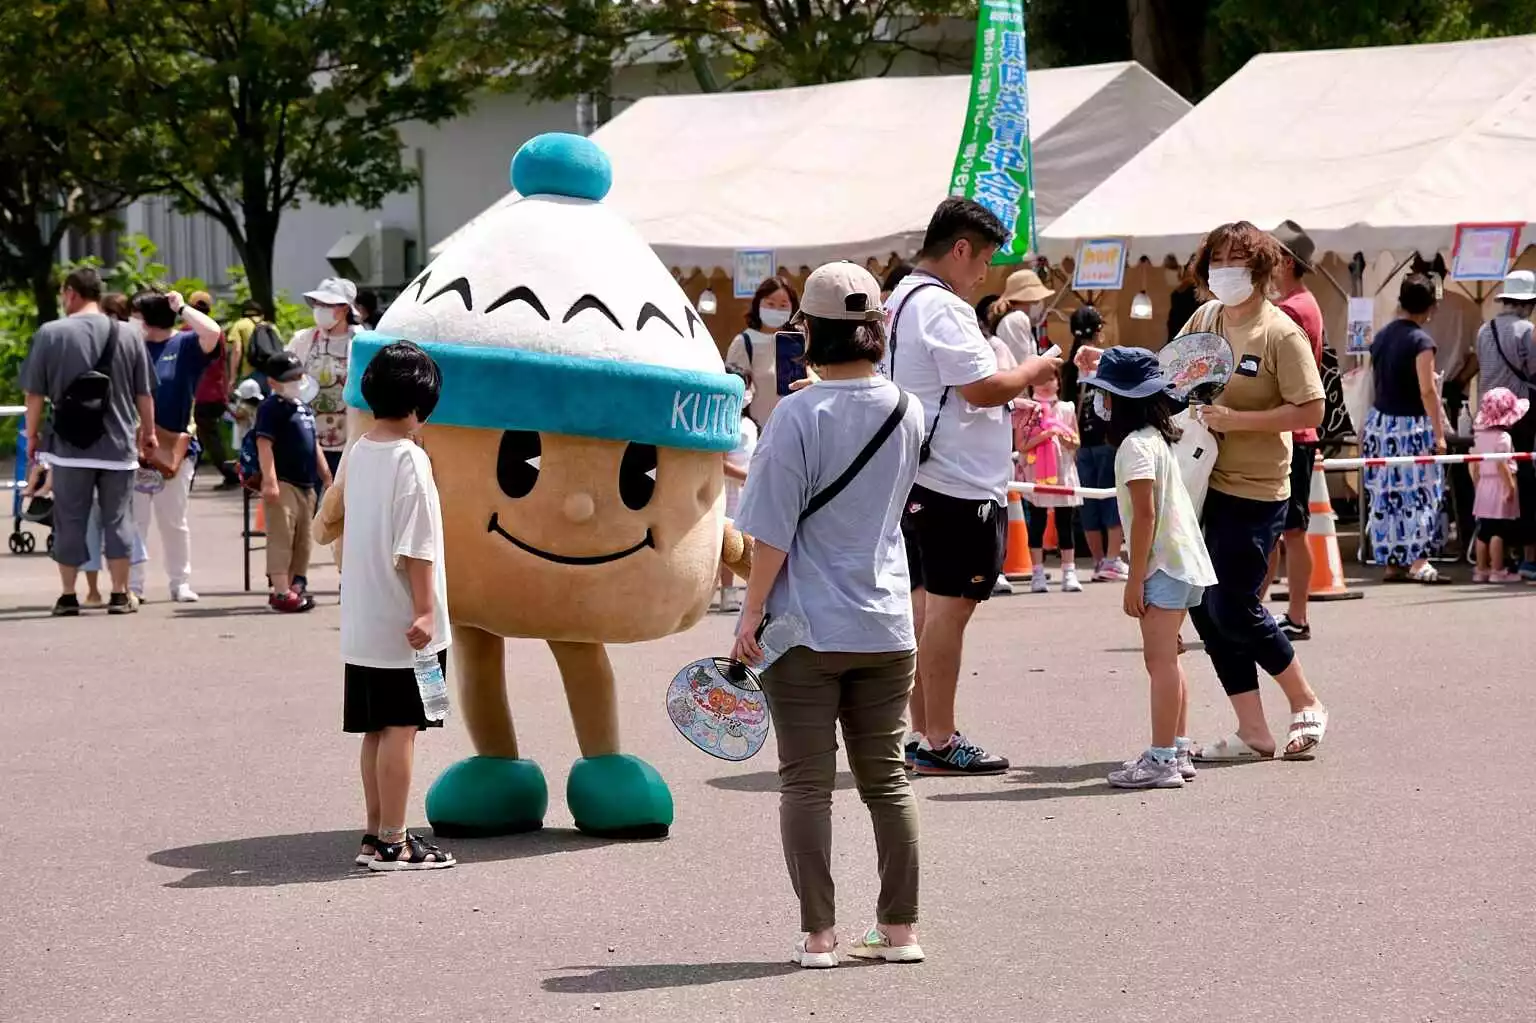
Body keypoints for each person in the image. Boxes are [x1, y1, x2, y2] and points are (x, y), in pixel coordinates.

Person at [731, 261, 926, 968]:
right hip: (886, 621)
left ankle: (820, 936)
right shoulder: (910, 408)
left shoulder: (794, 414)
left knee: (806, 781)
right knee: (888, 780)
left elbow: (771, 534)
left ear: (808, 331)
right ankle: (900, 929)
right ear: (875, 328)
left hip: (806, 626)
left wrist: (748, 617)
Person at [884, 197, 1059, 776]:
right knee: (946, 616)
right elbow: (981, 388)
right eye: (982, 259)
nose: (985, 274)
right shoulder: (942, 306)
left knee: (922, 613)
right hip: (955, 486)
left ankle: (922, 733)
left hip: (917, 477)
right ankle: (940, 737)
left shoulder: (900, 299)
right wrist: (1036, 369)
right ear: (960, 249)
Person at [1171, 221, 1328, 762]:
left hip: (1257, 487)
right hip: (1199, 480)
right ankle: (1253, 729)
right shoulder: (1205, 317)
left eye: (1236, 259)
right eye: (1216, 258)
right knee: (1205, 608)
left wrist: (1238, 420)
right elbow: (1173, 372)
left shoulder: (1281, 331)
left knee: (1233, 604)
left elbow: (1311, 409)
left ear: (1260, 268)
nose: (1224, 269)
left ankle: (1305, 700)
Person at [339, 341, 455, 872]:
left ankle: (375, 833)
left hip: (364, 618)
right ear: (423, 401)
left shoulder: (358, 450)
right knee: (402, 729)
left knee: (376, 729)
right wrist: (427, 612)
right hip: (403, 619)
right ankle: (394, 841)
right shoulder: (411, 459)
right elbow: (418, 544)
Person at [1080, 348, 1216, 789]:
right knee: (1170, 661)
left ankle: (1162, 760)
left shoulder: (1134, 447)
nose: (1100, 403)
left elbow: (1144, 515)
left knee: (1159, 662)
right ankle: (1175, 747)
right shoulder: (1157, 439)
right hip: (1183, 562)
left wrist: (1133, 577)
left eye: (1105, 395)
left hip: (1163, 565)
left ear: (1119, 400)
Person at [20, 268, 156, 617]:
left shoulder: (51, 333)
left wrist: (32, 436)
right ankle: (120, 594)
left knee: (69, 519)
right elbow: (144, 393)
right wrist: (149, 433)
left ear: (71, 293)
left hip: (69, 446)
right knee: (119, 518)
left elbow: (34, 394)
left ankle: (68, 595)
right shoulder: (129, 334)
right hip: (119, 445)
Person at [129, 290, 224, 602]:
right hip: (134, 447)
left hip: (173, 448)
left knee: (173, 520)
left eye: (137, 314)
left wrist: (181, 306)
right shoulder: (131, 347)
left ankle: (179, 582)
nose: (133, 320)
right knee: (135, 520)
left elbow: (212, 333)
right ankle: (133, 584)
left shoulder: (183, 345)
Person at [1263, 222, 1327, 637]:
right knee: (1282, 529)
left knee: (1285, 528)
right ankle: (1268, 610)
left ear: (1286, 261)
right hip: (1295, 430)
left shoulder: (1291, 310)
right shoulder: (1304, 303)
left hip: (1290, 431)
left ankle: (1293, 614)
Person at [1363, 274, 1448, 582]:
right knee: (1420, 493)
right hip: (1410, 427)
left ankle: (1392, 562)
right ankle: (1418, 560)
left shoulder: (1382, 337)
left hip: (1380, 423)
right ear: (1430, 307)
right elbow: (1427, 390)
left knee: (1386, 495)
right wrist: (1439, 434)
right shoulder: (1422, 342)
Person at [255, 351, 332, 612]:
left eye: (299, 377)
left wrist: (326, 475)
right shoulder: (271, 408)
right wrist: (270, 480)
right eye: (289, 379)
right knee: (282, 535)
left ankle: (295, 584)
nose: (296, 382)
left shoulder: (303, 407)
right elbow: (264, 444)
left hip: (307, 483)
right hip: (284, 481)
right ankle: (279, 589)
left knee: (303, 538)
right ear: (273, 382)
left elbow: (315, 444)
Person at [1475, 269, 1536, 579]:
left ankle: (1490, 556)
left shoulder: (1484, 330)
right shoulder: (1527, 330)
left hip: (1487, 417)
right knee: (1522, 480)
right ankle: (1526, 553)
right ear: (1528, 303)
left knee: (1490, 483)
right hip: (1518, 415)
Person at [1068, 306, 1127, 581]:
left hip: (1079, 442)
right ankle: (1113, 560)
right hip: (1106, 439)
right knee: (1111, 498)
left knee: (1089, 501)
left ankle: (1098, 560)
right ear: (1099, 330)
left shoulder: (1069, 364)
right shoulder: (1104, 360)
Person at [1014, 367, 1083, 593]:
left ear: (1058, 382)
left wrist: (1064, 439)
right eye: (1040, 379)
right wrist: (1045, 435)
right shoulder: (1027, 409)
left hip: (1063, 470)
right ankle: (1037, 572)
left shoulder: (1066, 408)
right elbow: (1021, 445)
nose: (1045, 384)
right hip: (1037, 473)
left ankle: (1069, 571)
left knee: (1065, 522)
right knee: (1038, 521)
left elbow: (1076, 441)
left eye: (1050, 378)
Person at [289, 277, 360, 477]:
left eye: (327, 304)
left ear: (345, 308)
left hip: (348, 442)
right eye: (318, 304)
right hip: (307, 439)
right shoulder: (302, 340)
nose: (321, 309)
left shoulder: (361, 343)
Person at [725, 276, 801, 427]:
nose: (776, 309)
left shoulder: (797, 342)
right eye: (770, 303)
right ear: (758, 303)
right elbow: (732, 391)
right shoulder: (744, 342)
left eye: (783, 305)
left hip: (793, 430)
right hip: (758, 433)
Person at [1470, 387, 1527, 583]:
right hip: (1499, 485)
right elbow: (1502, 465)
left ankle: (1481, 568)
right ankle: (1497, 570)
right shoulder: (1503, 438)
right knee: (1498, 530)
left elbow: (1476, 464)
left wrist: (1477, 484)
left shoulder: (1480, 436)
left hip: (1484, 485)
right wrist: (1510, 487)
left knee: (1484, 530)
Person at [717, 364, 759, 612]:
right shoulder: (724, 423)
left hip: (749, 489)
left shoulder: (750, 423)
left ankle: (753, 588)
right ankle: (727, 592)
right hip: (731, 490)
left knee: (750, 540)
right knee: (730, 542)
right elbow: (720, 463)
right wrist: (746, 476)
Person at [188, 291, 239, 489]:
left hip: (199, 393)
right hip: (216, 391)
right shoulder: (216, 331)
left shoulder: (188, 330)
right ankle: (193, 474)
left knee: (206, 435)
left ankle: (229, 474)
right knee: (206, 434)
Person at [226, 299, 267, 389]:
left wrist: (232, 377)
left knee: (247, 402)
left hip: (248, 373)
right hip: (269, 374)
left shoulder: (239, 325)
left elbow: (237, 350)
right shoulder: (269, 327)